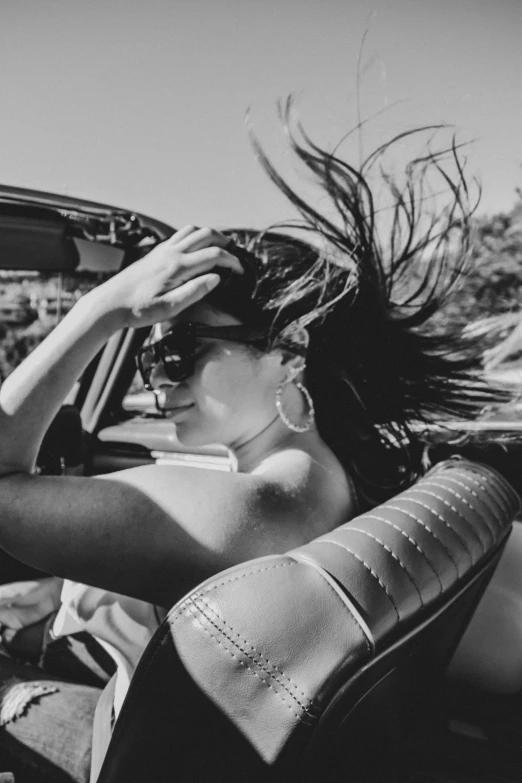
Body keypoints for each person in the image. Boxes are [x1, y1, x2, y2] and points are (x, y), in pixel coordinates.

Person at [0, 114, 506, 782]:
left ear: (288, 352)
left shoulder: (256, 507)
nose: (156, 376)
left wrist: (104, 311)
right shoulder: (334, 477)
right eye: (150, 353)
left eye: (178, 349)